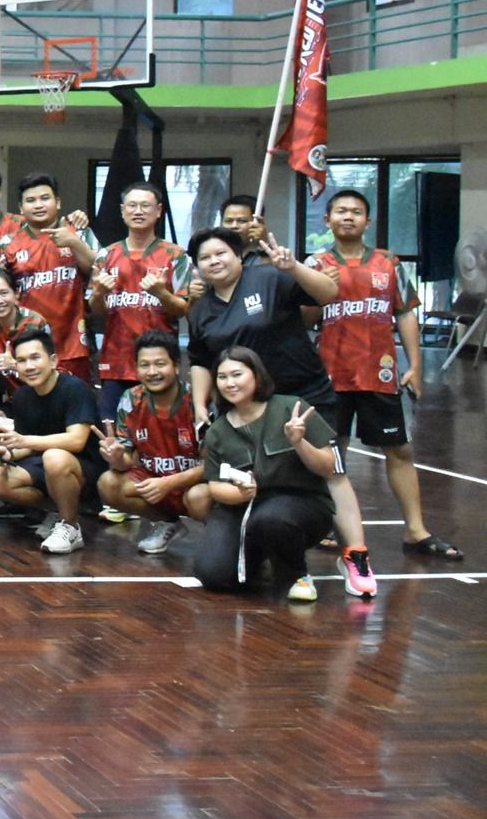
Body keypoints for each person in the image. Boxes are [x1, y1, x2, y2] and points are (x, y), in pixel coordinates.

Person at [183, 222, 376, 596]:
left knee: (331, 470)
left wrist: (294, 268)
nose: (214, 261)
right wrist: (199, 405)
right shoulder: (201, 310)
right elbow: (201, 360)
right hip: (246, 405)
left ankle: (355, 554)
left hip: (303, 395)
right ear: (198, 267)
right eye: (205, 258)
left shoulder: (269, 278)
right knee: (253, 477)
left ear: (239, 255)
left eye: (221, 253)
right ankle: (261, 543)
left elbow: (328, 294)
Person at [308, 188, 460, 560]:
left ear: (368, 221)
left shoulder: (389, 263)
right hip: (330, 375)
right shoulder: (315, 263)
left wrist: (416, 367)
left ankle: (416, 531)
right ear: (327, 220)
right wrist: (319, 288)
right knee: (333, 451)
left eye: (356, 212)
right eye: (340, 211)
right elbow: (304, 318)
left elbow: (405, 314)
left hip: (379, 373)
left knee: (400, 449)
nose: (348, 217)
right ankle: (326, 525)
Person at [193, 348, 348, 602]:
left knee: (271, 519)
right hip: (243, 509)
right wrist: (240, 494)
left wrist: (299, 443)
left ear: (256, 375)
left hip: (299, 507)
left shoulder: (291, 408)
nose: (229, 383)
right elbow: (215, 486)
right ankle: (259, 558)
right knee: (214, 574)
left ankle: (296, 577)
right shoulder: (217, 431)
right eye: (222, 377)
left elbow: (330, 467)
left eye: (237, 374)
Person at [92, 330, 209, 553]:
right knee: (109, 483)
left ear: (176, 366)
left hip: (193, 486)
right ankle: (168, 522)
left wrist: (169, 483)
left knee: (199, 497)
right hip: (156, 484)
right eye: (144, 365)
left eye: (160, 364)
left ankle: (222, 538)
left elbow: (212, 465)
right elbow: (125, 462)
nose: (152, 372)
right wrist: (116, 458)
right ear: (136, 369)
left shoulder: (196, 401)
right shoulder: (131, 399)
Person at [0, 329, 99, 553]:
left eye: (35, 358)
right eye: (21, 360)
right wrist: (8, 453)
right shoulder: (22, 396)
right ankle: (57, 512)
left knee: (54, 457)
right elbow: (25, 446)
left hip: (84, 468)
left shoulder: (75, 388)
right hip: (45, 465)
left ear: (53, 361)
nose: (29, 366)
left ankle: (70, 527)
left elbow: (76, 441)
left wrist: (26, 441)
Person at [87, 182, 193, 415]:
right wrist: (99, 293)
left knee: (159, 427)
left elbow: (183, 309)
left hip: (160, 363)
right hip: (116, 362)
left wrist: (161, 293)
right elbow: (96, 310)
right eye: (132, 205)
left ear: (158, 210)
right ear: (122, 210)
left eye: (145, 205)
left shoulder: (176, 255)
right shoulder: (106, 255)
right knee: (112, 428)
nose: (138, 211)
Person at [0, 173, 97, 384]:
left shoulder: (79, 233)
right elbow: (0, 293)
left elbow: (99, 270)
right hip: (27, 344)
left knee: (74, 399)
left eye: (45, 198)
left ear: (58, 202)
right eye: (30, 200)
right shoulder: (8, 243)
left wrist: (74, 242)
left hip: (73, 342)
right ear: (21, 208)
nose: (38, 205)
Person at [0, 266, 47, 396]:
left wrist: (14, 365)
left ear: (16, 293)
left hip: (38, 392)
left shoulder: (35, 323)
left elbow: (48, 370)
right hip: (5, 395)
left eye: (4, 293)